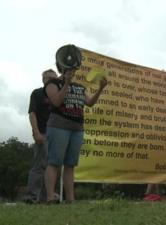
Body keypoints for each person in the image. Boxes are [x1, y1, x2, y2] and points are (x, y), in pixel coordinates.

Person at [44, 45, 107, 203]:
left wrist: (100, 89)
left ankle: (70, 199)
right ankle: (51, 197)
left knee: (70, 164)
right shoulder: (52, 84)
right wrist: (65, 83)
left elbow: (90, 103)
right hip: (58, 127)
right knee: (54, 162)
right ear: (61, 67)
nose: (72, 70)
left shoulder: (79, 87)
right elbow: (57, 102)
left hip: (77, 129)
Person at [24, 69, 57, 204]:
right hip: (42, 133)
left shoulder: (58, 95)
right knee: (39, 165)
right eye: (49, 78)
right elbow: (32, 113)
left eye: (54, 78)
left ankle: (46, 198)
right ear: (43, 79)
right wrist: (36, 132)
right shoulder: (37, 93)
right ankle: (31, 197)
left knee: (52, 167)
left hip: (56, 136)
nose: (52, 80)